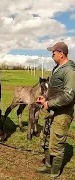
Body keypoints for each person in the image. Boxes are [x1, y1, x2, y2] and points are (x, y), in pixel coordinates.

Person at [36, 42, 75, 178]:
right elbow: (54, 89)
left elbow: (69, 95)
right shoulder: (57, 68)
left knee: (57, 142)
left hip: (62, 113)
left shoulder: (69, 71)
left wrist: (49, 103)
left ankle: (55, 172)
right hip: (52, 109)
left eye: (53, 52)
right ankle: (47, 166)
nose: (52, 54)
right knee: (46, 138)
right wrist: (44, 97)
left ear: (61, 54)